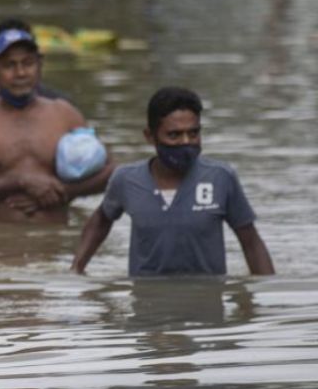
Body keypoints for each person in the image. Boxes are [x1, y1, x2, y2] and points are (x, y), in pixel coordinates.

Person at [71, 86, 275, 276]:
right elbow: (101, 220)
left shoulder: (220, 177)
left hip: (205, 306)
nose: (186, 142)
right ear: (150, 136)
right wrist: (77, 269)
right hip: (147, 306)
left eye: (193, 133)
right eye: (174, 135)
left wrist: (266, 297)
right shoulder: (126, 180)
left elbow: (250, 241)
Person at [0, 18, 115, 223]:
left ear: (40, 66)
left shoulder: (64, 113)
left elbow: (112, 172)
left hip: (57, 246)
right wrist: (20, 182)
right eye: (9, 65)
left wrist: (63, 192)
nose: (20, 73)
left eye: (28, 63)